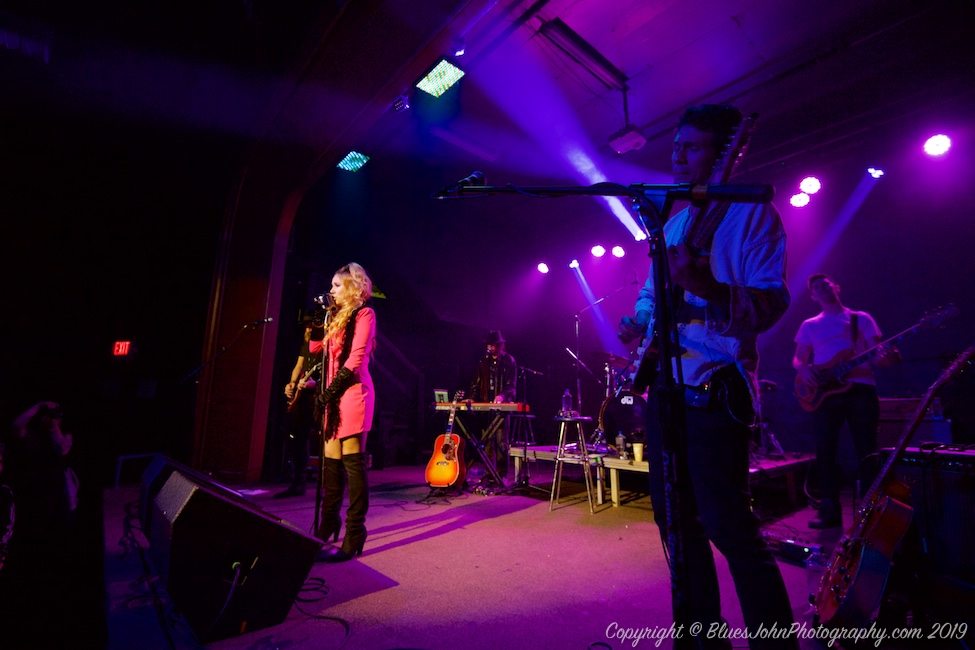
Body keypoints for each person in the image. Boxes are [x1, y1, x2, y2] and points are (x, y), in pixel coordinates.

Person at [618, 105, 797, 648]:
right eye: (676, 146)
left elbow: (771, 304)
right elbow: (652, 294)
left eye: (692, 147)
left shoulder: (754, 214)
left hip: (717, 385)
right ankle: (700, 639)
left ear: (722, 156)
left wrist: (709, 287)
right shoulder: (673, 223)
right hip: (666, 387)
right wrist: (639, 319)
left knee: (728, 525)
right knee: (674, 522)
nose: (677, 156)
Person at [793, 273, 899, 529]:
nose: (822, 288)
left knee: (867, 450)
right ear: (812, 296)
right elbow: (798, 359)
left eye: (825, 284)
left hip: (860, 389)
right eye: (816, 287)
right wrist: (803, 369)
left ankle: (871, 511)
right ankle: (829, 511)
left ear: (836, 287)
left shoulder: (861, 319)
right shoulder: (809, 324)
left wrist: (886, 358)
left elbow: (877, 356)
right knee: (825, 450)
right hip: (824, 392)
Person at [312, 263, 377, 562]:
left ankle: (355, 531)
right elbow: (315, 349)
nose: (332, 290)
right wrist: (318, 319)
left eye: (337, 285)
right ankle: (328, 522)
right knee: (331, 465)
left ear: (352, 287)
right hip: (332, 396)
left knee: (353, 463)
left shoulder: (364, 314)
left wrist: (330, 391)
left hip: (351, 392)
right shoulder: (335, 318)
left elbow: (356, 357)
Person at [275, 318, 324, 498]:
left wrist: (315, 384)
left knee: (326, 439)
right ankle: (298, 482)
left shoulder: (325, 345)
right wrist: (292, 383)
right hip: (303, 397)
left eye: (311, 328)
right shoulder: (306, 344)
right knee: (299, 439)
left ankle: (329, 486)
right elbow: (299, 364)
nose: (308, 332)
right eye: (307, 329)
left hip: (320, 396)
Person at [468, 330, 517, 488]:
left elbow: (511, 386)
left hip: (501, 408)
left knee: (501, 441)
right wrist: (472, 397)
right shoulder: (483, 362)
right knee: (487, 441)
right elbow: (476, 383)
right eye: (488, 345)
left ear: (500, 345)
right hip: (485, 406)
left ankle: (502, 474)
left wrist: (502, 396)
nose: (489, 347)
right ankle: (490, 473)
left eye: (492, 345)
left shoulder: (509, 361)